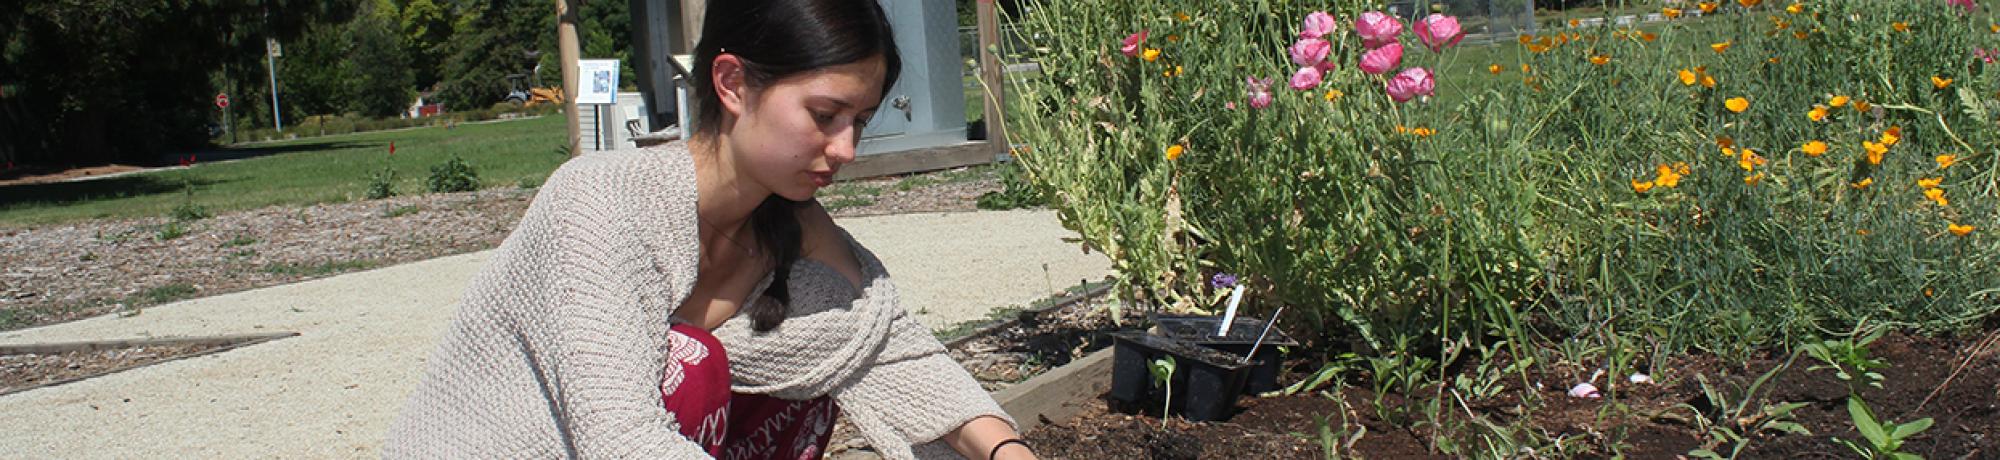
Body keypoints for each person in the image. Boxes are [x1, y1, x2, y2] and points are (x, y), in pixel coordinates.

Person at [382, 0, 1038, 458]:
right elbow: (620, 438)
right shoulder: (602, 204)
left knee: (818, 367)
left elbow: (891, 346)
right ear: (731, 83)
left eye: (860, 121)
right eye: (825, 114)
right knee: (693, 367)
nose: (846, 150)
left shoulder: (792, 224)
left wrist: (1005, 449)